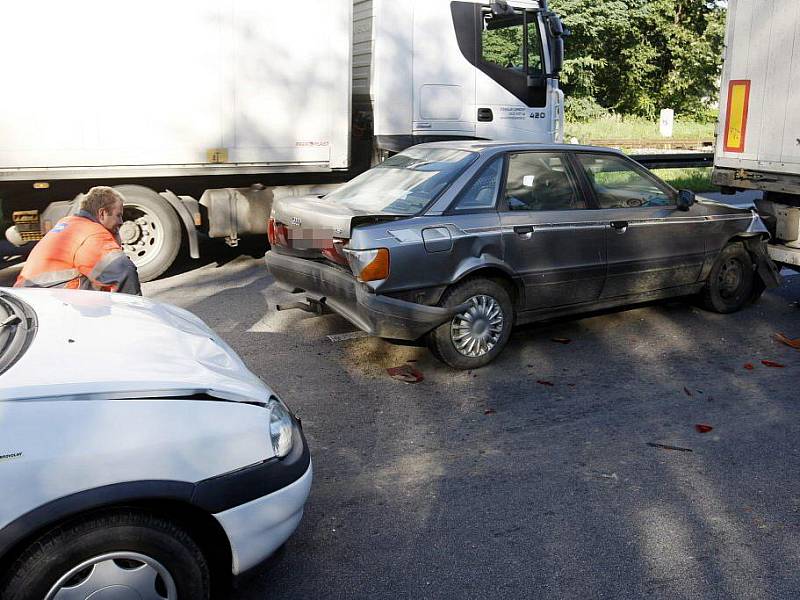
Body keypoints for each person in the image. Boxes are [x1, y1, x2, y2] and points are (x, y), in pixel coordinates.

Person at [14, 186, 141, 294]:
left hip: (29, 299)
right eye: (118, 215)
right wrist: (137, 315)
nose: (121, 221)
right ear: (102, 213)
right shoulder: (92, 233)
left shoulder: (67, 223)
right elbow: (124, 271)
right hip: (49, 302)